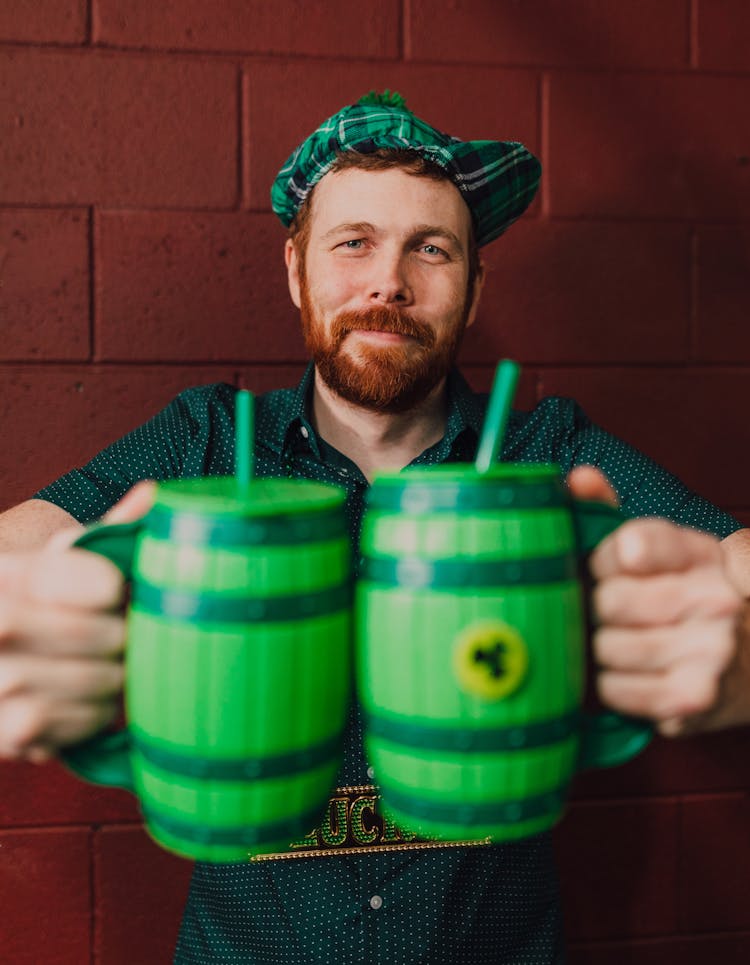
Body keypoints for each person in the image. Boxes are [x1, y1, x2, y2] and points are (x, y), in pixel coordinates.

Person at [0, 91, 747, 963]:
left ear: (472, 291)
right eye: (353, 242)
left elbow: (731, 560)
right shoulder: (207, 440)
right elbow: (26, 538)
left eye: (430, 249)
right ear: (295, 270)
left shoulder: (546, 453)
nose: (388, 280)